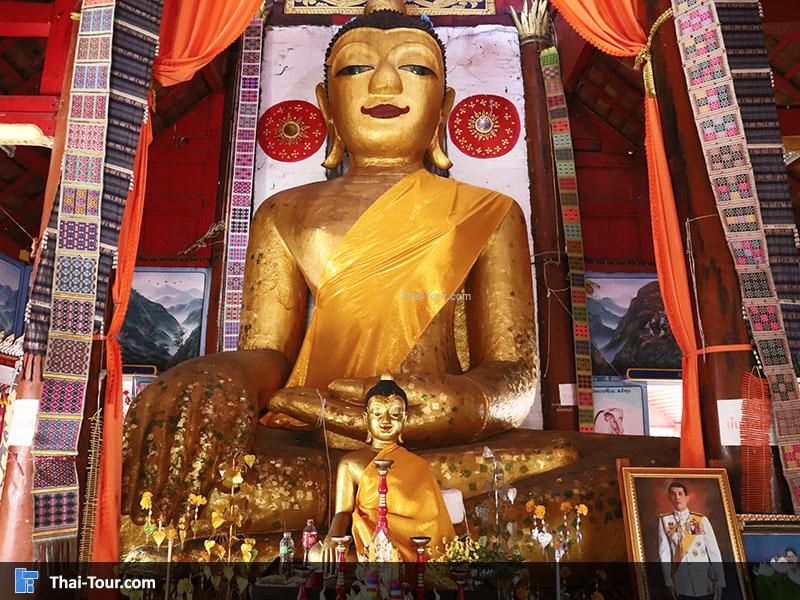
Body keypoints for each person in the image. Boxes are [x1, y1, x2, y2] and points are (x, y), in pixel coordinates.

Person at [318, 377, 455, 564]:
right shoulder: (351, 463)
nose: (386, 420)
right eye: (377, 413)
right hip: (369, 544)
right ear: (366, 418)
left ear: (405, 418)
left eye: (396, 414)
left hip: (411, 546)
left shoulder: (418, 465)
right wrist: (333, 537)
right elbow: (342, 512)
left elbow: (432, 518)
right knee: (316, 555)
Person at [658, 482, 726, 599]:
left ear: (687, 497)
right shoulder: (664, 521)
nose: (677, 497)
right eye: (673, 494)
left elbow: (713, 551)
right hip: (681, 582)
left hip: (704, 580)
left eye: (680, 494)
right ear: (670, 498)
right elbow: (664, 553)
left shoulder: (701, 520)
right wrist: (668, 582)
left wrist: (720, 581)